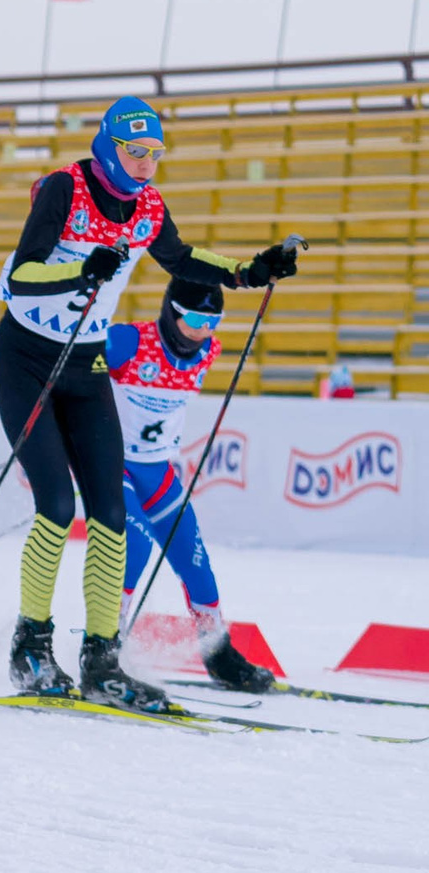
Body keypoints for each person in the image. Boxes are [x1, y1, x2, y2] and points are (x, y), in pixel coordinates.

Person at [0, 95, 298, 711]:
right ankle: (30, 647)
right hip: (27, 359)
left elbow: (181, 259)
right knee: (56, 504)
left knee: (109, 512)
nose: (147, 164)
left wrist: (250, 270)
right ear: (109, 146)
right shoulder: (65, 188)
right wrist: (80, 272)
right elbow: (21, 275)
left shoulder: (149, 207)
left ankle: (102, 659)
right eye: (137, 152)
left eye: (156, 153)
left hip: (86, 363)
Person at [107, 279, 274, 693]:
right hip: (112, 465)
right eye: (196, 319)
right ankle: (106, 648)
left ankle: (218, 654)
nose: (203, 331)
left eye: (213, 322)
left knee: (195, 561)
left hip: (159, 471)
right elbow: (73, 373)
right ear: (172, 310)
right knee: (136, 547)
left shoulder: (208, 352)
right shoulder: (127, 340)